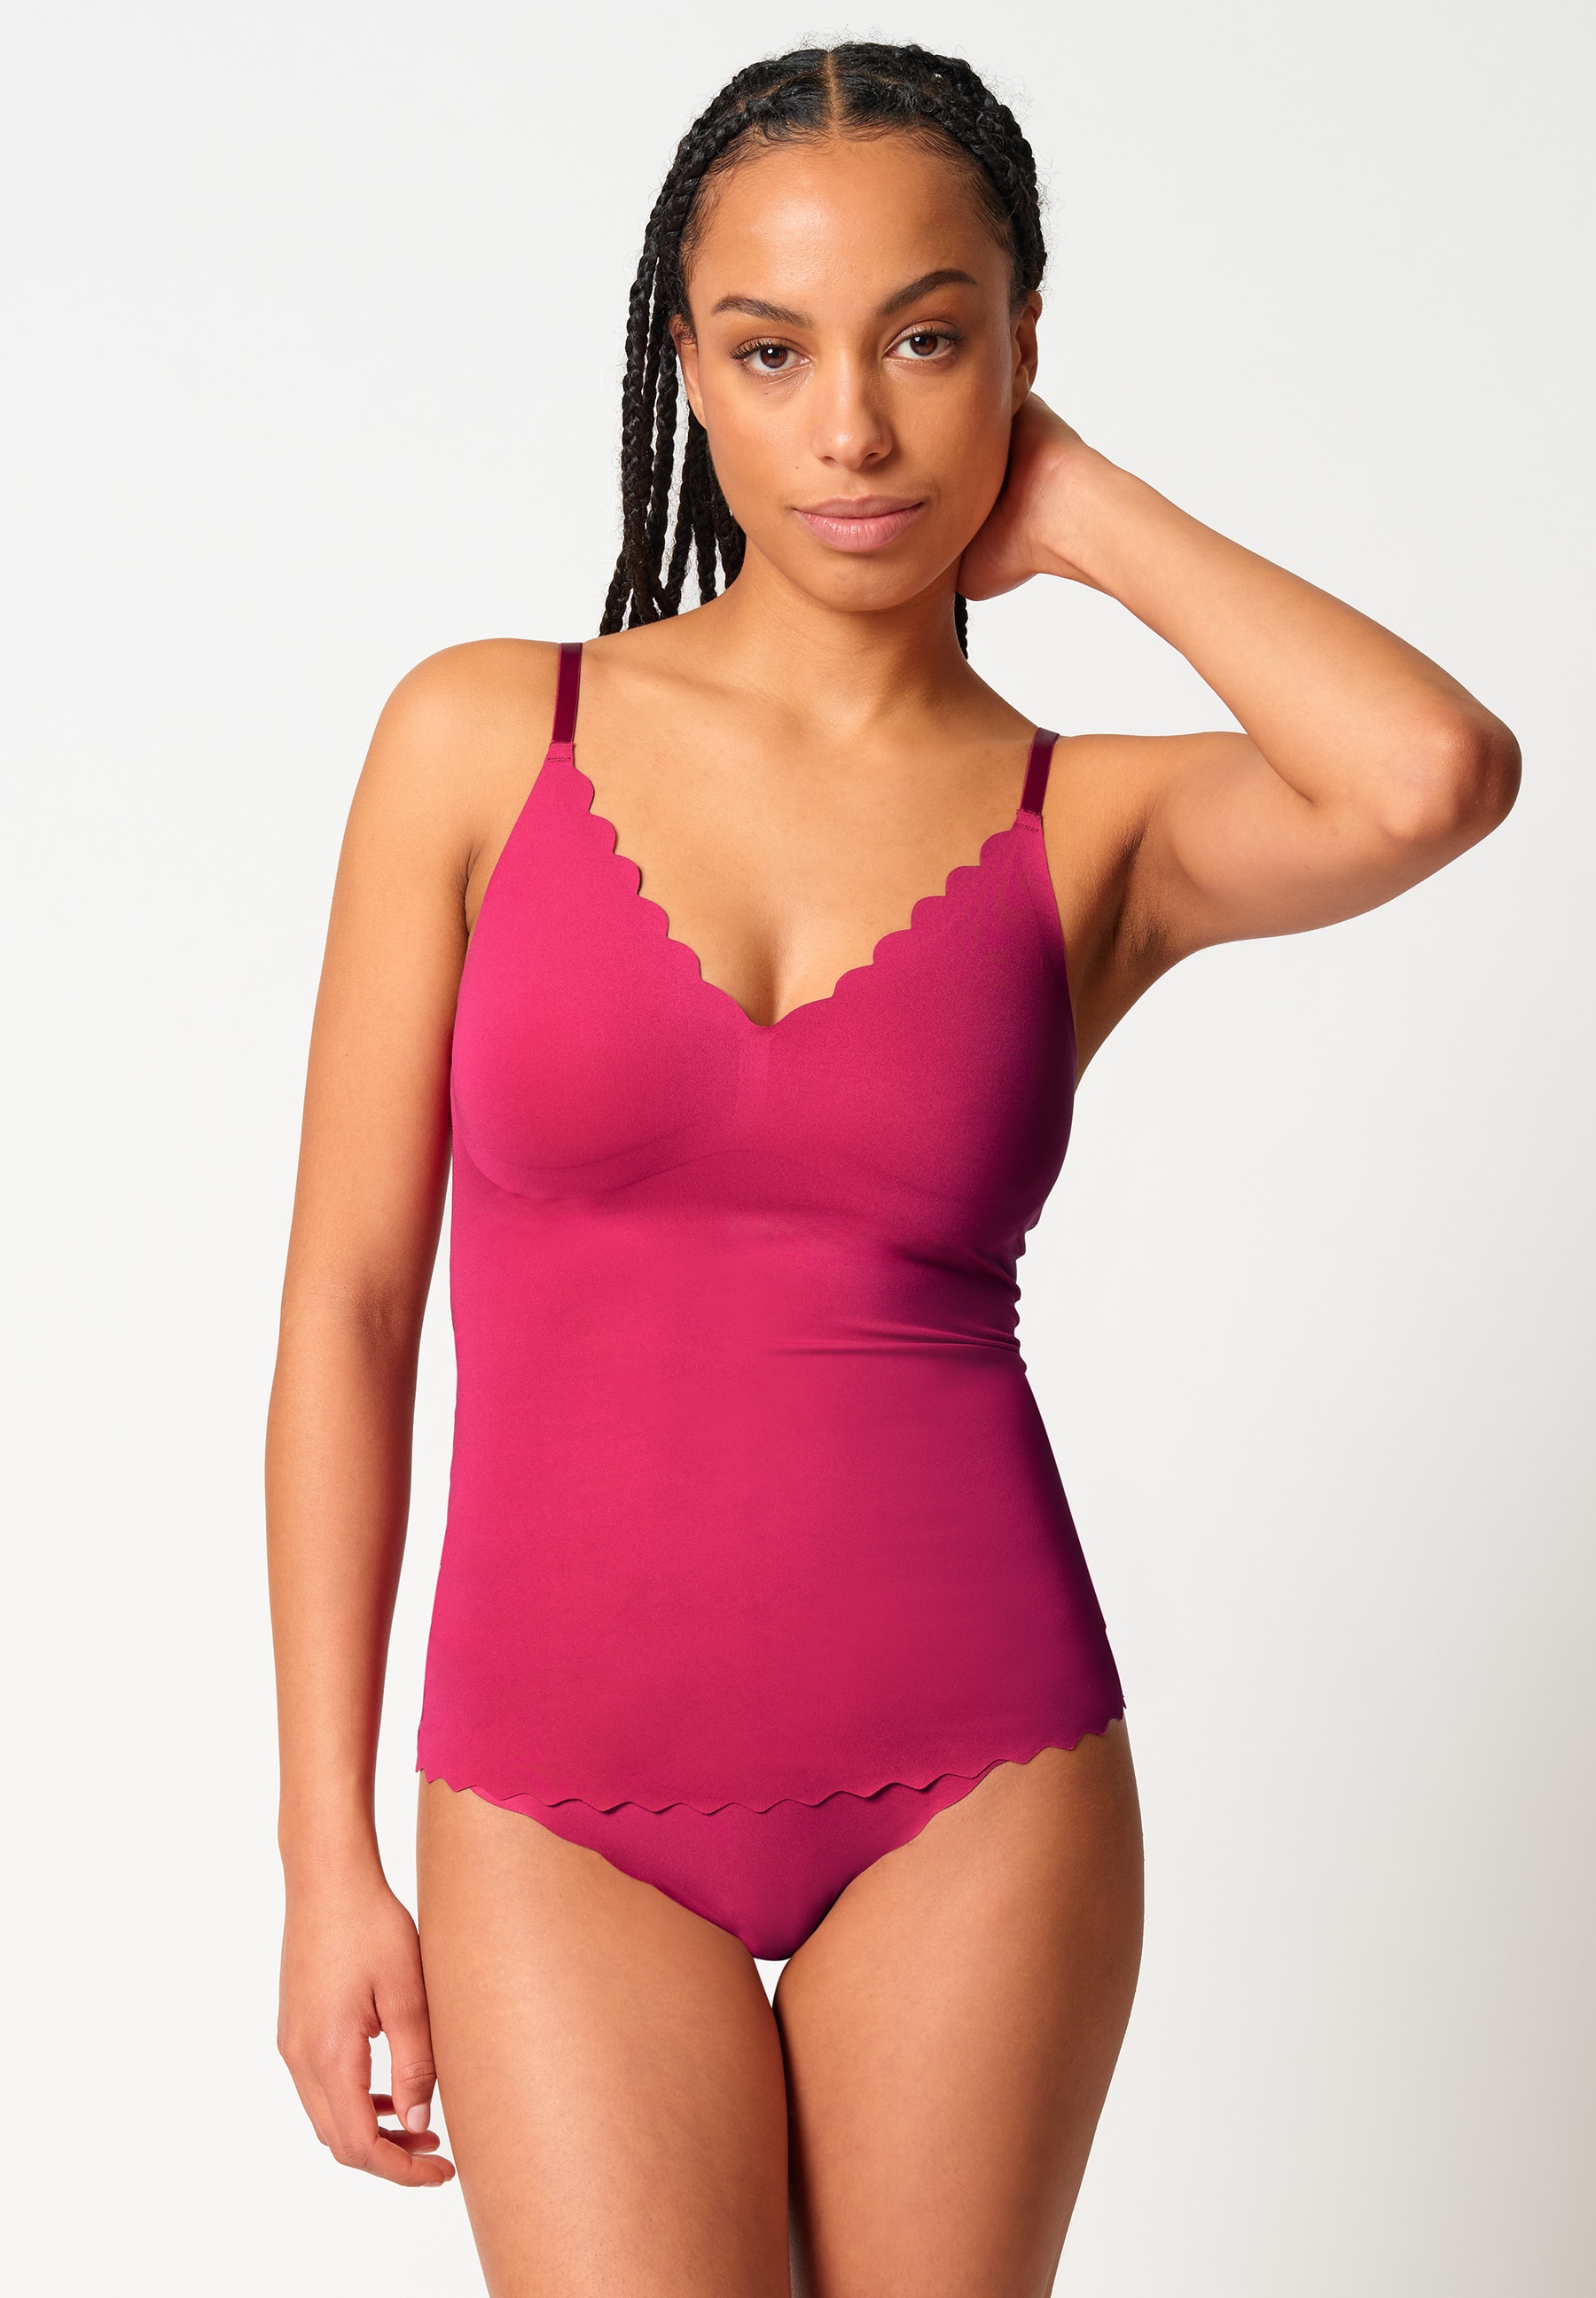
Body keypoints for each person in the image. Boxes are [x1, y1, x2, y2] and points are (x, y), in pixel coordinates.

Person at [265, 42, 1519, 2298]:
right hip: (552, 1799)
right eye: (773, 352)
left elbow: (1431, 772)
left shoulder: (1093, 824)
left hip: (981, 1778)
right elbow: (348, 1313)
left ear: (1022, 351)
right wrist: (323, 1858)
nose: (850, 428)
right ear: (688, 370)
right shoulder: (481, 737)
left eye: (925, 343)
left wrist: (1090, 512)